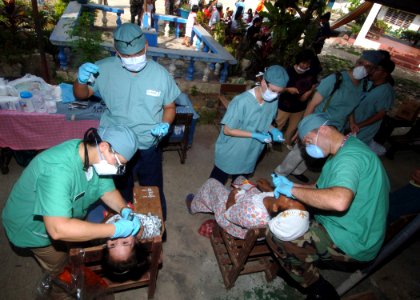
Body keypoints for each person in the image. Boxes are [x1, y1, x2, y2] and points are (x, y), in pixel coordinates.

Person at [268, 113, 390, 299]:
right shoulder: (344, 149)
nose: (308, 147)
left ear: (323, 130)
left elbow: (338, 201)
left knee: (277, 233)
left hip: (353, 239)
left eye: (308, 140)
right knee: (296, 211)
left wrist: (292, 189)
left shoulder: (349, 159)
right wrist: (290, 185)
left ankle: (318, 288)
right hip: (360, 226)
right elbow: (319, 189)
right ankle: (302, 261)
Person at [2, 125, 141, 282]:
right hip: (32, 226)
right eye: (117, 163)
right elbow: (57, 229)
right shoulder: (58, 170)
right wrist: (114, 229)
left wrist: (124, 210)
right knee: (61, 271)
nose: (117, 169)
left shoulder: (91, 155)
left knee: (72, 246)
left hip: (63, 217)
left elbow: (107, 191)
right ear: (104, 146)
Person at [73, 24, 181, 220]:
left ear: (146, 46)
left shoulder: (160, 75)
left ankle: (156, 229)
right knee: (119, 191)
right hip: (114, 148)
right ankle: (123, 229)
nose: (133, 59)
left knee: (152, 189)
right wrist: (80, 81)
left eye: (138, 53)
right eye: (127, 55)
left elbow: (170, 107)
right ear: (117, 51)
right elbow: (82, 95)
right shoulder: (103, 69)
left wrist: (166, 123)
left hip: (147, 143)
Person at [274, 50, 384, 183]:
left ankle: (297, 171)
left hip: (337, 126)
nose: (362, 67)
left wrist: (352, 122)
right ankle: (280, 172)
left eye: (368, 66)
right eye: (361, 63)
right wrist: (303, 125)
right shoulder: (337, 79)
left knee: (320, 153)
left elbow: (351, 107)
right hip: (318, 123)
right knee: (300, 150)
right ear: (356, 62)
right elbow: (313, 103)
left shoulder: (364, 85)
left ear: (372, 70)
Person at [210, 65, 289, 185]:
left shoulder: (273, 101)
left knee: (239, 187)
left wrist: (273, 130)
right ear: (263, 82)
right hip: (232, 150)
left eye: (279, 92)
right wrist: (254, 135)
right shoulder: (241, 101)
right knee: (215, 184)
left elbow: (264, 122)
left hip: (251, 153)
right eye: (273, 90)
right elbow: (227, 130)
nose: (275, 95)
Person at [187, 177, 308, 240]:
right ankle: (229, 192)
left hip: (231, 219)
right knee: (241, 180)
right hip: (247, 207)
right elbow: (275, 200)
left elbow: (229, 213)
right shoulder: (276, 206)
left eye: (291, 199)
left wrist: (232, 195)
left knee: (211, 183)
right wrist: (269, 190)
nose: (293, 194)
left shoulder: (250, 213)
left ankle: (193, 205)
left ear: (276, 207)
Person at [349, 52, 395, 147]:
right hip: (351, 125)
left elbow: (380, 114)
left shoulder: (386, 91)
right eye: (373, 68)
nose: (372, 71)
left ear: (384, 74)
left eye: (376, 69)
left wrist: (359, 125)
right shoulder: (368, 83)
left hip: (361, 131)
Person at [276, 49, 318, 149]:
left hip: (300, 107)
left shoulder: (311, 73)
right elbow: (278, 88)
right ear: (298, 61)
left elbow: (314, 85)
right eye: (303, 63)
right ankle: (274, 141)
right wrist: (288, 89)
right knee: (279, 124)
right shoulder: (288, 72)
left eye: (308, 63)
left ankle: (287, 142)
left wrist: (309, 92)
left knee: (293, 127)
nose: (305, 66)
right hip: (284, 105)